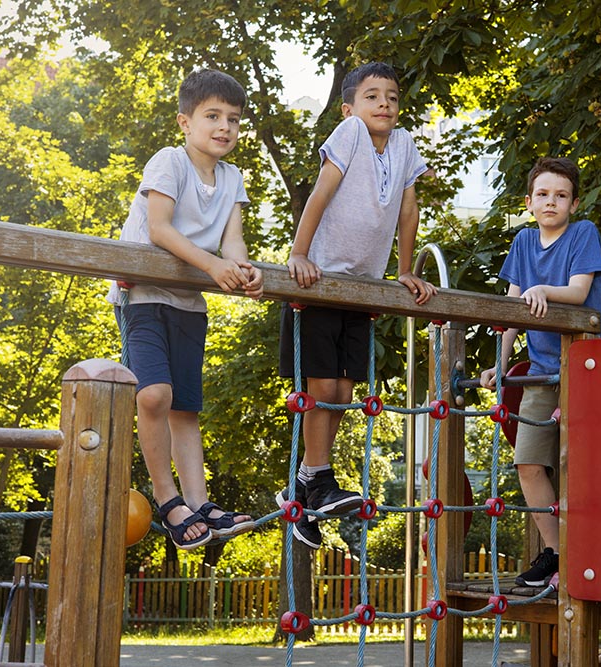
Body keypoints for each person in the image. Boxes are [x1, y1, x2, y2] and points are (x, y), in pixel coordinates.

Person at [278, 62, 438, 549]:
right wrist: (299, 254)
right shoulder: (350, 134)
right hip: (321, 279)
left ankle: (307, 483)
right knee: (322, 386)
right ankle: (319, 478)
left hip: (362, 287)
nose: (384, 103)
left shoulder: (404, 144)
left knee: (345, 392)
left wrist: (404, 269)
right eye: (372, 96)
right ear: (350, 108)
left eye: (392, 96)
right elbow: (321, 192)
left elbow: (408, 209)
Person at [107, 69, 262, 550]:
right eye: (212, 116)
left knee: (186, 408)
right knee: (155, 395)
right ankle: (168, 498)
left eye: (233, 119)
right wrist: (214, 266)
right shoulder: (169, 162)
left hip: (188, 303)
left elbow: (232, 240)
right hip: (142, 294)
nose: (224, 127)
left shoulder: (232, 177)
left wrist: (244, 268)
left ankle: (199, 501)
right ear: (185, 122)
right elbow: (160, 228)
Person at [479, 156, 601, 586]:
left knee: (581, 464)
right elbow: (513, 309)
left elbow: (579, 291)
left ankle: (594, 548)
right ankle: (556, 552)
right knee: (529, 462)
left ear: (574, 204)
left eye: (561, 195)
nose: (551, 201)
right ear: (529, 203)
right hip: (541, 372)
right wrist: (499, 364)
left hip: (587, 368)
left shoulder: (583, 234)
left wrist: (542, 290)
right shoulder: (523, 242)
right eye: (543, 194)